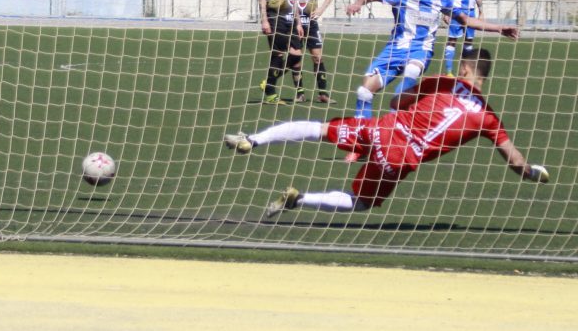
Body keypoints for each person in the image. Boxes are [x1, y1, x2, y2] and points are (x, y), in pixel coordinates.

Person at [223, 48, 550, 218]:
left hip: (385, 129)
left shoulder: (442, 81)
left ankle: (253, 139)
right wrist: (532, 173)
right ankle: (301, 199)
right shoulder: (489, 118)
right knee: (360, 202)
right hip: (401, 157)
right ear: (483, 77)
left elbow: (396, 101)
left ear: (464, 69)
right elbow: (514, 160)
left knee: (322, 129)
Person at [346, 0, 517, 121]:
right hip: (394, 49)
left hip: (421, 50)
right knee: (364, 92)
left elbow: (466, 20)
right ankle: (361, 136)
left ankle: (393, 121)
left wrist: (499, 28)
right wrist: (358, 4)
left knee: (411, 72)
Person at [288, 0, 336, 104]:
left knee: (317, 58)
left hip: (311, 24)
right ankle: (300, 93)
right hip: (294, 25)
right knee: (296, 59)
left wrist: (321, 9)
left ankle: (323, 94)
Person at [257, 0, 303, 105]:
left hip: (290, 21)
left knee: (296, 55)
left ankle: (268, 83)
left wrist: (298, 23)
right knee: (278, 55)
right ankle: (270, 94)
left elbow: (294, 0)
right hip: (275, 18)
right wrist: (264, 20)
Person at [443, 0, 483, 76]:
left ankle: (464, 71)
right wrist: (445, 12)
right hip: (456, 12)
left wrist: (481, 12)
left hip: (471, 12)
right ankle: (449, 72)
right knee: (452, 40)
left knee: (469, 41)